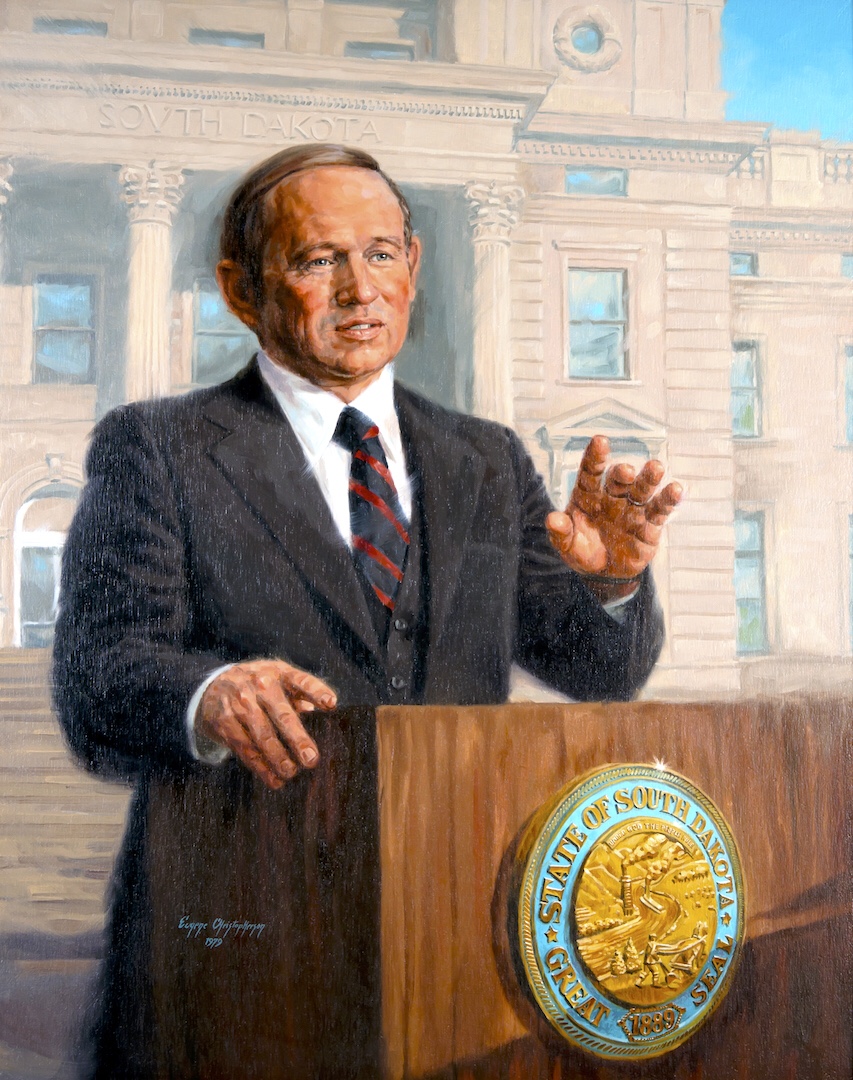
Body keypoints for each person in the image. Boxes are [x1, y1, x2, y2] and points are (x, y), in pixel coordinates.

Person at [53, 144, 681, 1075]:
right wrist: (207, 694)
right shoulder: (156, 446)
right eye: (318, 260)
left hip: (456, 945)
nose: (360, 289)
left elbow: (598, 672)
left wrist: (613, 583)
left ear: (413, 266)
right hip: (239, 961)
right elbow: (98, 680)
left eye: (381, 254)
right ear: (239, 290)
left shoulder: (485, 459)